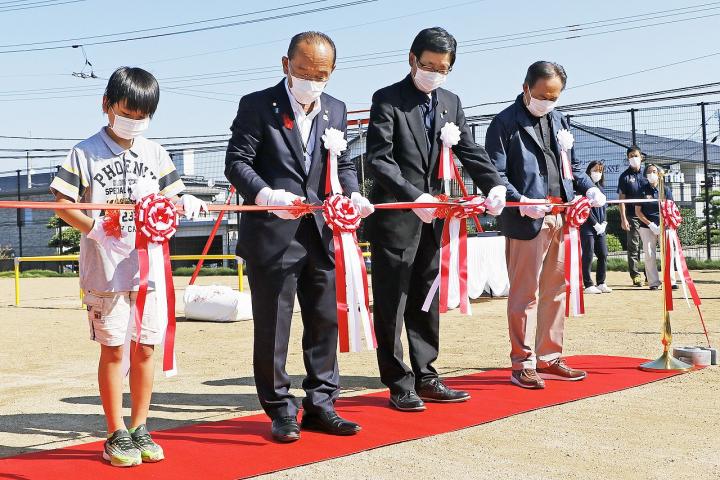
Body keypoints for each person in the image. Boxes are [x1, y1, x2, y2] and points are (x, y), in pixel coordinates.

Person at [49, 67, 208, 467]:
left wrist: (186, 201)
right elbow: (63, 203)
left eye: (143, 117)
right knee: (115, 349)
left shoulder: (154, 153)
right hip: (106, 270)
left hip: (149, 270)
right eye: (127, 113)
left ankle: (140, 427)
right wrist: (97, 229)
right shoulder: (84, 152)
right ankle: (115, 431)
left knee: (146, 349)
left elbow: (173, 197)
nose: (134, 122)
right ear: (106, 105)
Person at [225, 32, 371, 442]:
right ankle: (279, 410)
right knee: (274, 326)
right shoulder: (256, 105)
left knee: (325, 321)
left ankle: (322, 404)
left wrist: (354, 193)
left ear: (332, 72)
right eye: (304, 71)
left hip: (323, 233)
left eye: (320, 74)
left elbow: (339, 165)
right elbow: (236, 162)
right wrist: (264, 193)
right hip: (274, 234)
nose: (311, 80)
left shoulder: (337, 109)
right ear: (286, 64)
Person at [365, 27, 506, 412]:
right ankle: (398, 382)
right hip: (397, 217)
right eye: (428, 65)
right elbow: (378, 159)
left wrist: (494, 183)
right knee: (393, 300)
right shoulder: (388, 99)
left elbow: (468, 148)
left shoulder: (450, 101)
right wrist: (414, 197)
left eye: (442, 68)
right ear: (412, 60)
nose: (434, 73)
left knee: (427, 296)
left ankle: (427, 375)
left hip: (437, 217)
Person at [485, 60, 606, 390]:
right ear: (527, 88)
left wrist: (590, 188)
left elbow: (574, 166)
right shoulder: (504, 123)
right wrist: (520, 200)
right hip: (527, 219)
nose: (548, 101)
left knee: (556, 291)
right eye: (543, 95)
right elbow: (494, 173)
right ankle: (521, 361)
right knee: (524, 295)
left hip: (562, 217)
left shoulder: (560, 120)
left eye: (555, 96)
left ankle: (549, 357)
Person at [635, 164, 676, 290]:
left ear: (659, 174)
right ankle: (653, 282)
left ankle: (671, 280)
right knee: (649, 253)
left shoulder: (666, 190)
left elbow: (670, 209)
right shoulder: (641, 190)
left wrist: (662, 224)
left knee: (668, 253)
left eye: (654, 171)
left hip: (665, 226)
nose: (651, 174)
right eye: (649, 172)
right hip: (647, 226)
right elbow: (638, 211)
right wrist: (650, 224)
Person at [617, 146, 648, 287]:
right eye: (630, 156)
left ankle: (650, 275)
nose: (633, 158)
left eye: (635, 155)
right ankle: (635, 275)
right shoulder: (624, 176)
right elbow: (621, 200)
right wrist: (623, 219)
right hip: (632, 216)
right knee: (634, 246)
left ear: (641, 156)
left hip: (648, 215)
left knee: (649, 246)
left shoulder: (649, 173)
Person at [581, 161, 612, 294]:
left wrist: (604, 223)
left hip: (601, 228)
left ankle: (601, 282)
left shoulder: (602, 188)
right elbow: (584, 208)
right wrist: (595, 224)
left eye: (600, 171)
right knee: (588, 254)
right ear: (589, 171)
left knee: (603, 254)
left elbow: (604, 208)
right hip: (588, 227)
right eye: (595, 170)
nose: (598, 173)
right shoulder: (584, 189)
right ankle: (588, 284)